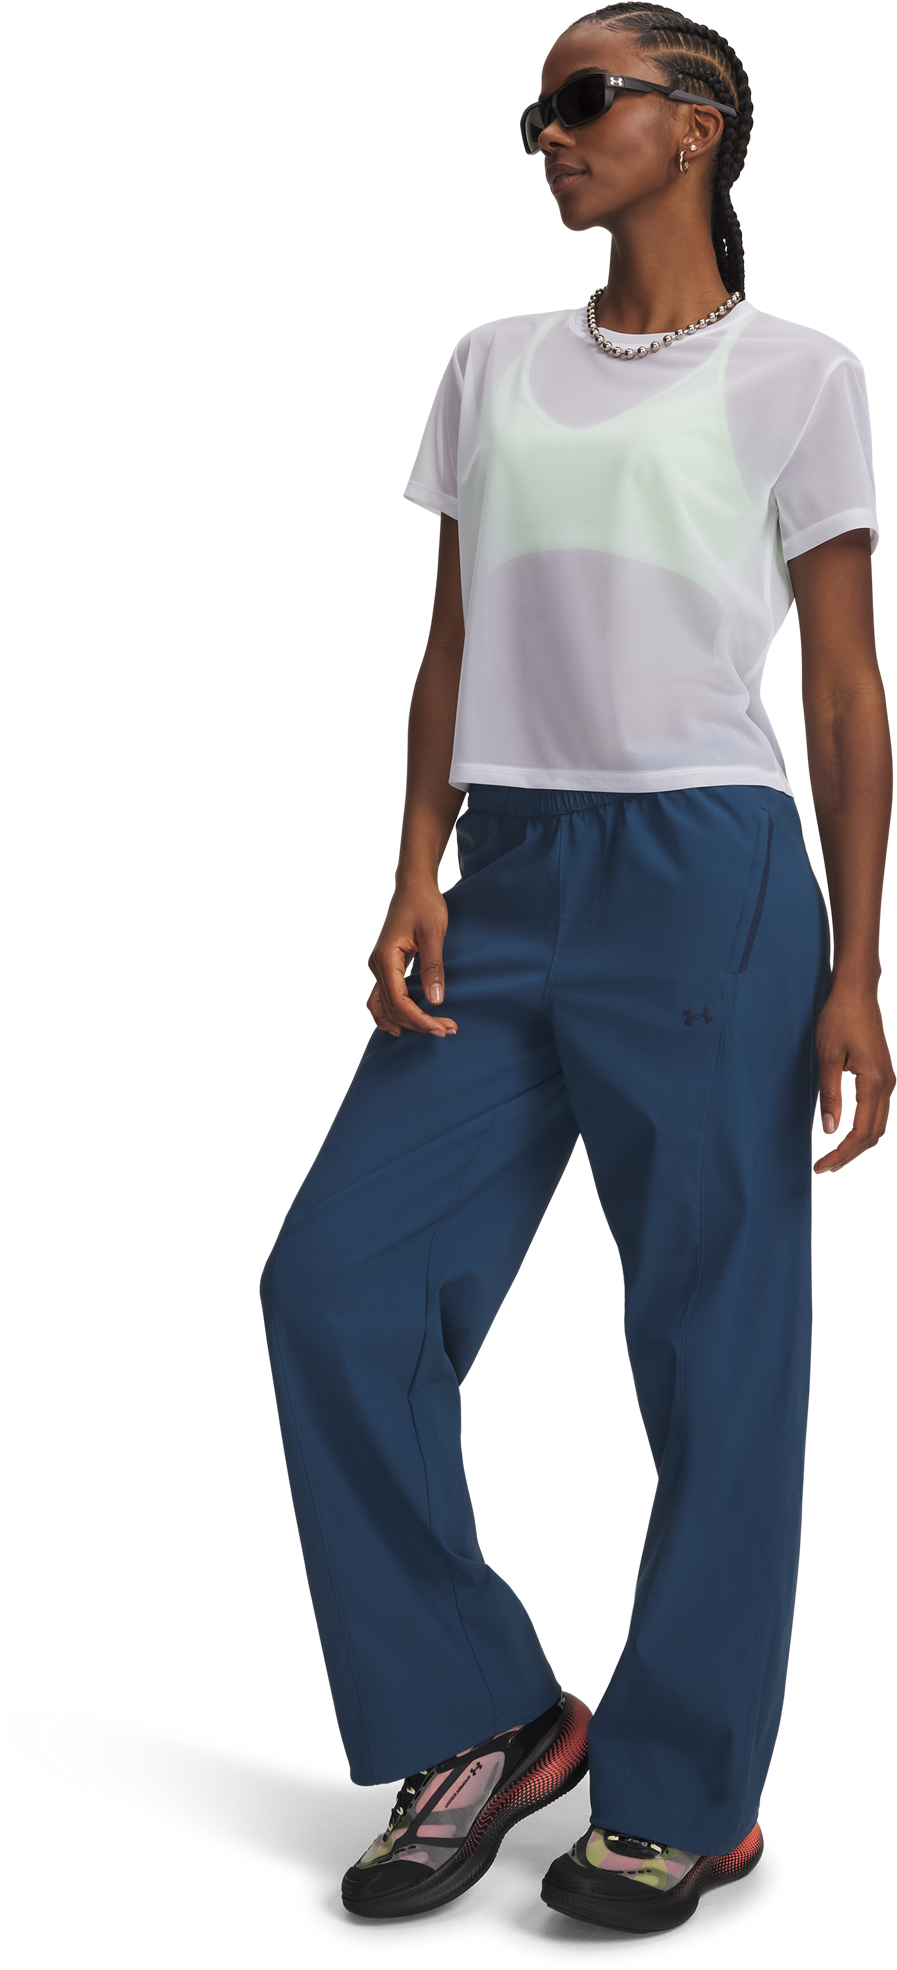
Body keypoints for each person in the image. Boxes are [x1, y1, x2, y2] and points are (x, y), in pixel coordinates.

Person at [259, 3, 893, 1936]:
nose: (548, 133)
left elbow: (845, 687)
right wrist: (414, 865)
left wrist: (859, 965)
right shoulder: (494, 365)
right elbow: (453, 638)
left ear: (697, 127)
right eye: (534, 111)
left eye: (582, 100)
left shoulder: (802, 377)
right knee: (334, 1285)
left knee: (716, 1347)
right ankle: (488, 1714)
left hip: (712, 880)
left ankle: (686, 1790)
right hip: (512, 875)